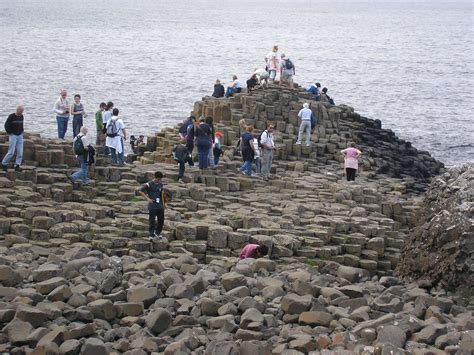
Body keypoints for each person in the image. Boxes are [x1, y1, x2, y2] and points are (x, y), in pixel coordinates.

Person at [138, 171, 169, 240]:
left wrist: (165, 203)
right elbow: (140, 191)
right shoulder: (149, 184)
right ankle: (151, 234)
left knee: (161, 220)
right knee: (152, 220)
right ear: (154, 177)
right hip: (152, 205)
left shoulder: (160, 184)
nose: (158, 181)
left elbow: (162, 194)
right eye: (158, 179)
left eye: (160, 179)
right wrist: (147, 198)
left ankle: (157, 233)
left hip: (160, 205)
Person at [1, 106, 24, 172]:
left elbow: (21, 124)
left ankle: (17, 165)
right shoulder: (11, 116)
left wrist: (22, 131)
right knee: (11, 151)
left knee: (20, 152)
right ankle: (4, 164)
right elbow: (6, 125)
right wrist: (9, 132)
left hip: (20, 136)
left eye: (22, 111)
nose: (22, 112)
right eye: (21, 111)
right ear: (17, 110)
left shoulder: (21, 116)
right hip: (13, 135)